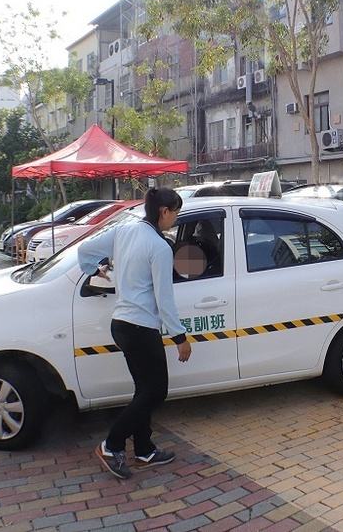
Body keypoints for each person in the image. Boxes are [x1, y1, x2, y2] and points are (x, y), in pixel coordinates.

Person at [77, 187, 192, 480]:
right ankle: (111, 444)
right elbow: (164, 299)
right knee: (156, 391)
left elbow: (84, 250)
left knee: (144, 390)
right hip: (142, 328)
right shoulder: (159, 247)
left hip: (122, 325)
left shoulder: (124, 231)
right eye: (175, 213)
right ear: (163, 212)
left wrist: (98, 269)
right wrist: (180, 338)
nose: (175, 220)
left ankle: (144, 449)